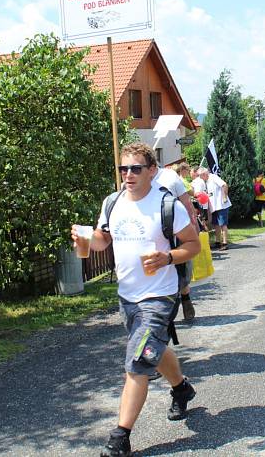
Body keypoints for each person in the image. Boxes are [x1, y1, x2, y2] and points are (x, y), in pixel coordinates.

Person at [74, 143, 200, 457]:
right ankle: (181, 388)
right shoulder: (112, 202)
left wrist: (167, 257)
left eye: (135, 168)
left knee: (138, 361)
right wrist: (87, 238)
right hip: (127, 296)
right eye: (123, 169)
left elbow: (193, 245)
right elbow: (104, 240)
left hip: (159, 296)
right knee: (153, 351)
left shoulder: (168, 205)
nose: (128, 175)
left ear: (152, 171)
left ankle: (121, 438)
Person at [156, 165, 199, 322]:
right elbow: (187, 204)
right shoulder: (138, 177)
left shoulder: (170, 176)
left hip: (175, 228)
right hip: (157, 231)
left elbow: (187, 204)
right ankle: (179, 300)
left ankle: (184, 298)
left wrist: (192, 229)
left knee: (178, 265)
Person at [200, 168, 231, 251]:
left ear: (204, 174)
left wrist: (224, 197)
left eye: (200, 176)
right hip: (214, 207)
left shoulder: (213, 177)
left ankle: (225, 243)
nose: (200, 178)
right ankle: (218, 242)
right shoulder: (206, 181)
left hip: (221, 205)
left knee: (223, 224)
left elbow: (224, 185)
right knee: (216, 224)